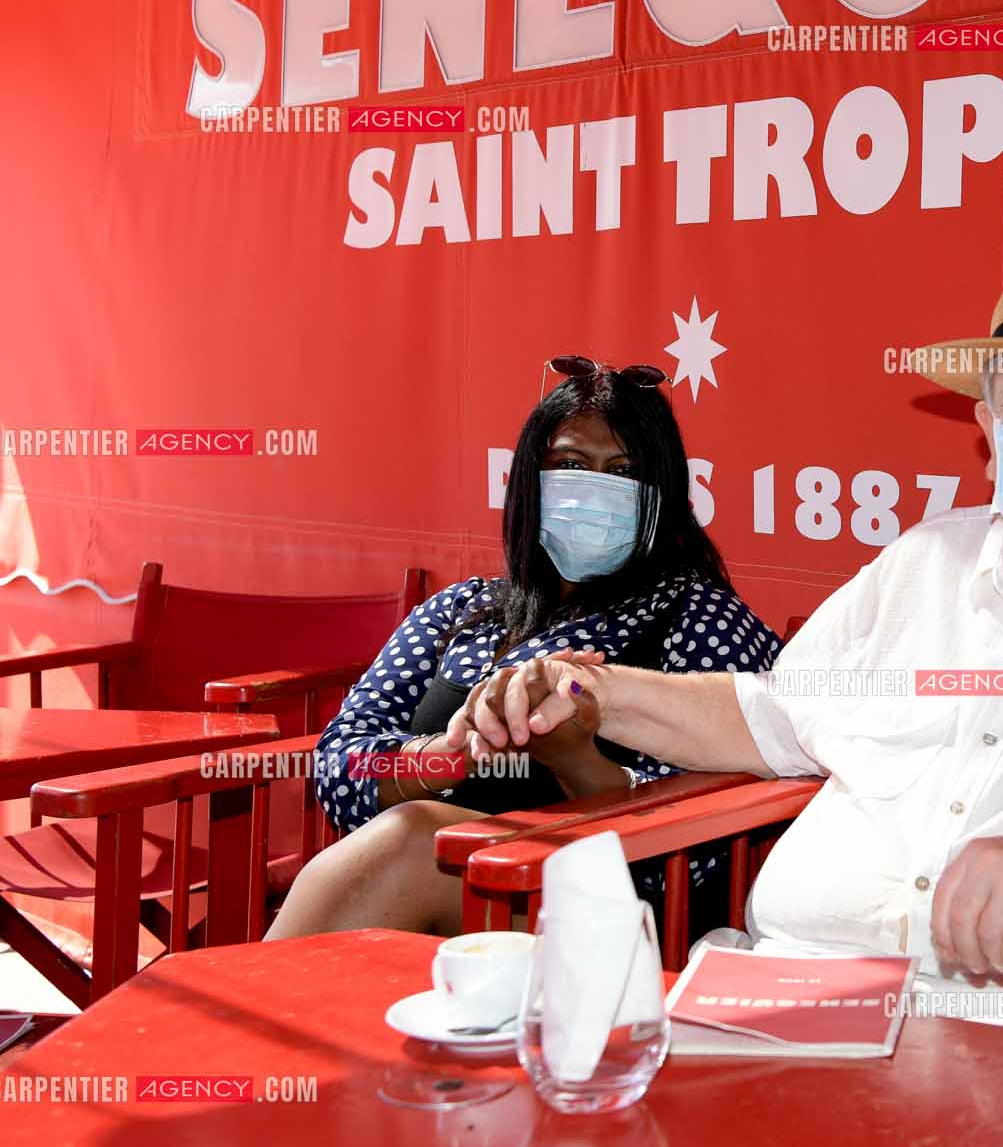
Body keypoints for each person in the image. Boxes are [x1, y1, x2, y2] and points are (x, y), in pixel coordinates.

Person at [459, 244, 1003, 1074]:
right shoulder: (921, 565)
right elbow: (768, 715)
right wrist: (591, 690)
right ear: (989, 429)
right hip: (790, 1000)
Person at [265, 354, 780, 939]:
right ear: (530, 480)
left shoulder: (702, 616)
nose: (595, 488)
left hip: (614, 917)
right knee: (407, 842)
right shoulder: (465, 610)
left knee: (411, 844)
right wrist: (461, 748)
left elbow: (699, 841)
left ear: (664, 495)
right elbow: (341, 764)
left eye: (624, 471)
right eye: (571, 464)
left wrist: (574, 758)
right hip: (443, 909)